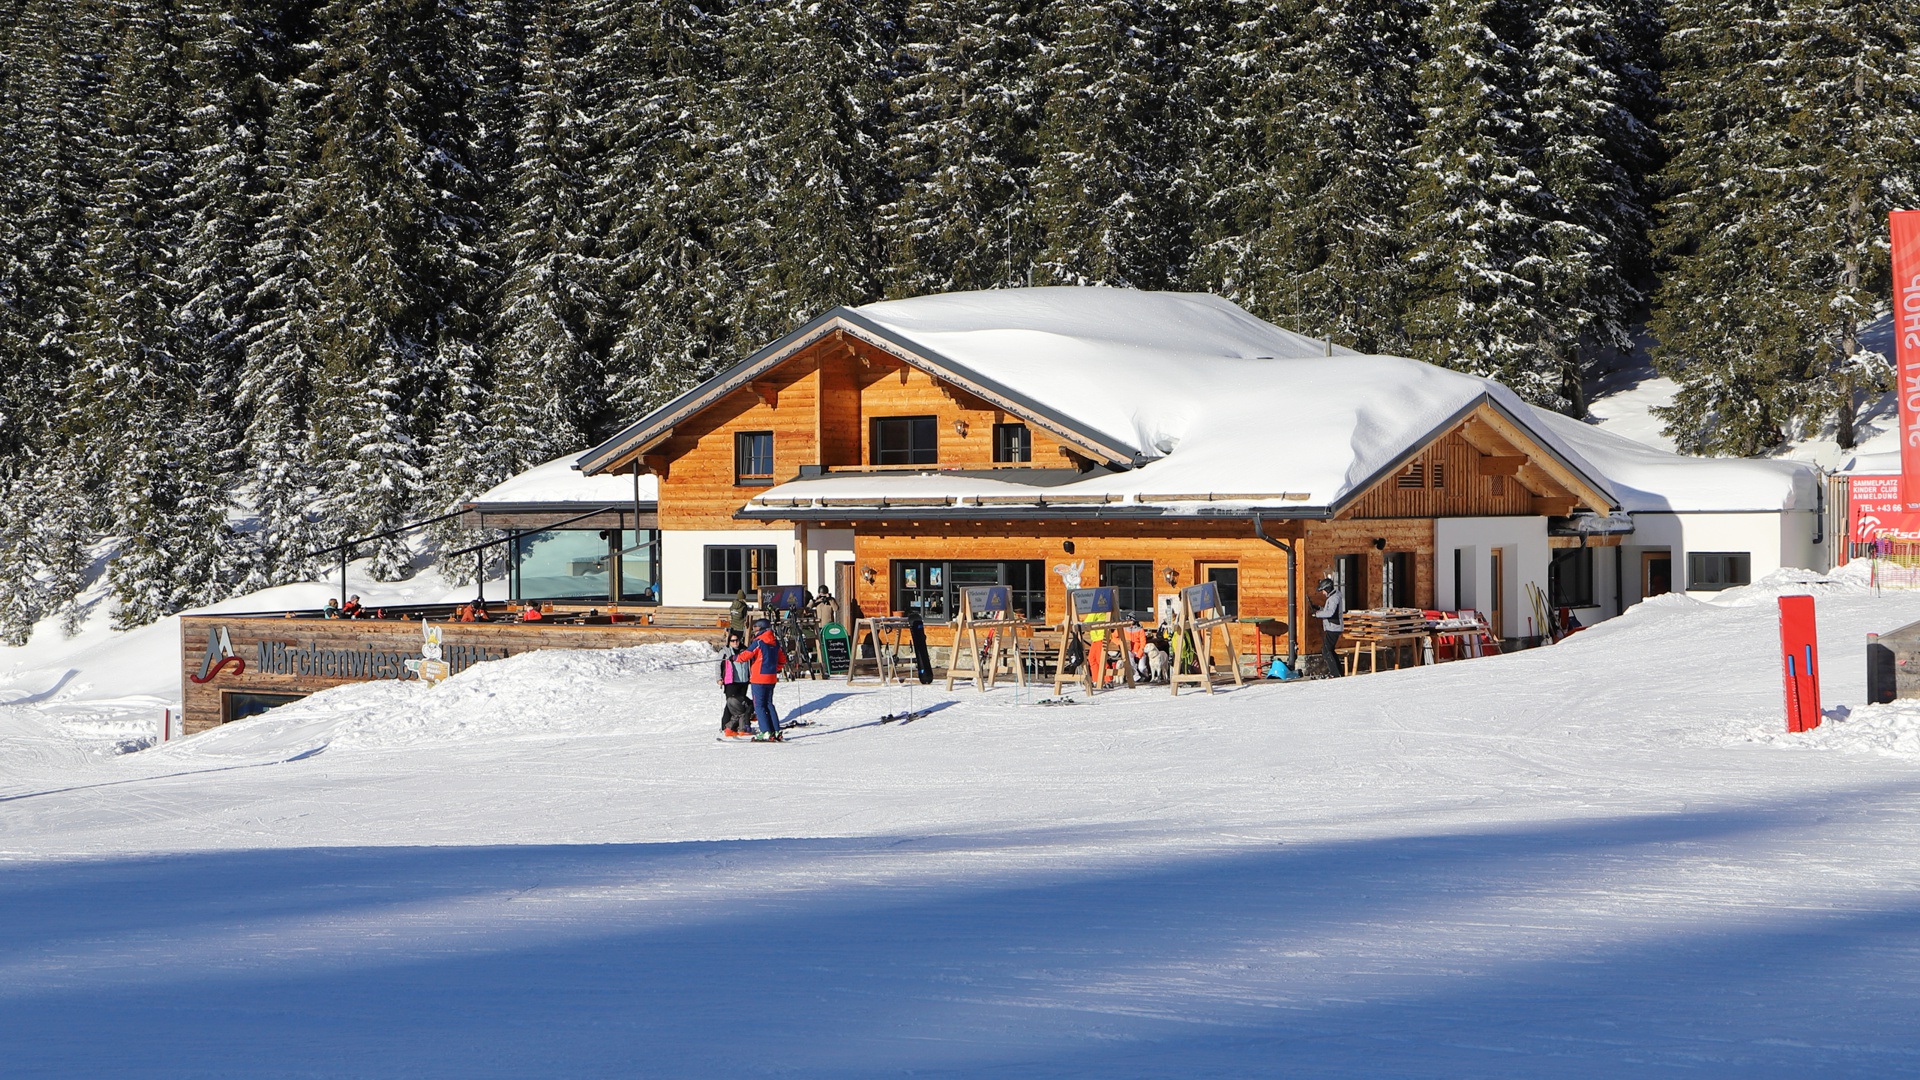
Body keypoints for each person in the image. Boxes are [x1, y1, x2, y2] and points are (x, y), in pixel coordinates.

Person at [736, 617, 787, 741]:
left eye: (756, 628)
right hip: (771, 678)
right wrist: (775, 669)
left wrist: (736, 658)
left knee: (759, 706)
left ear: (762, 628)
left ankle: (765, 732)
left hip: (759, 678)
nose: (755, 631)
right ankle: (775, 730)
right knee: (769, 704)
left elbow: (747, 654)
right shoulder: (775, 642)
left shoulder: (759, 641)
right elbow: (782, 660)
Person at [717, 629, 755, 737]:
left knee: (741, 704)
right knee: (731, 704)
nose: (735, 643)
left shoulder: (745, 650)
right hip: (731, 681)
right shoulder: (725, 651)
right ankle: (726, 725)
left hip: (743, 681)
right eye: (732, 641)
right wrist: (719, 678)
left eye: (736, 640)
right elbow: (718, 665)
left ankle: (739, 725)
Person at [1314, 576, 1345, 677]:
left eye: (1323, 590)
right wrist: (1319, 608)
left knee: (1326, 650)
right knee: (1329, 650)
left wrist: (1317, 614)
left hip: (1333, 627)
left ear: (1327, 589)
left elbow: (1331, 613)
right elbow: (1330, 610)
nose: (1323, 593)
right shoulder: (1334, 597)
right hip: (1333, 627)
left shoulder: (1334, 598)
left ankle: (1335, 673)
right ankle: (1339, 672)